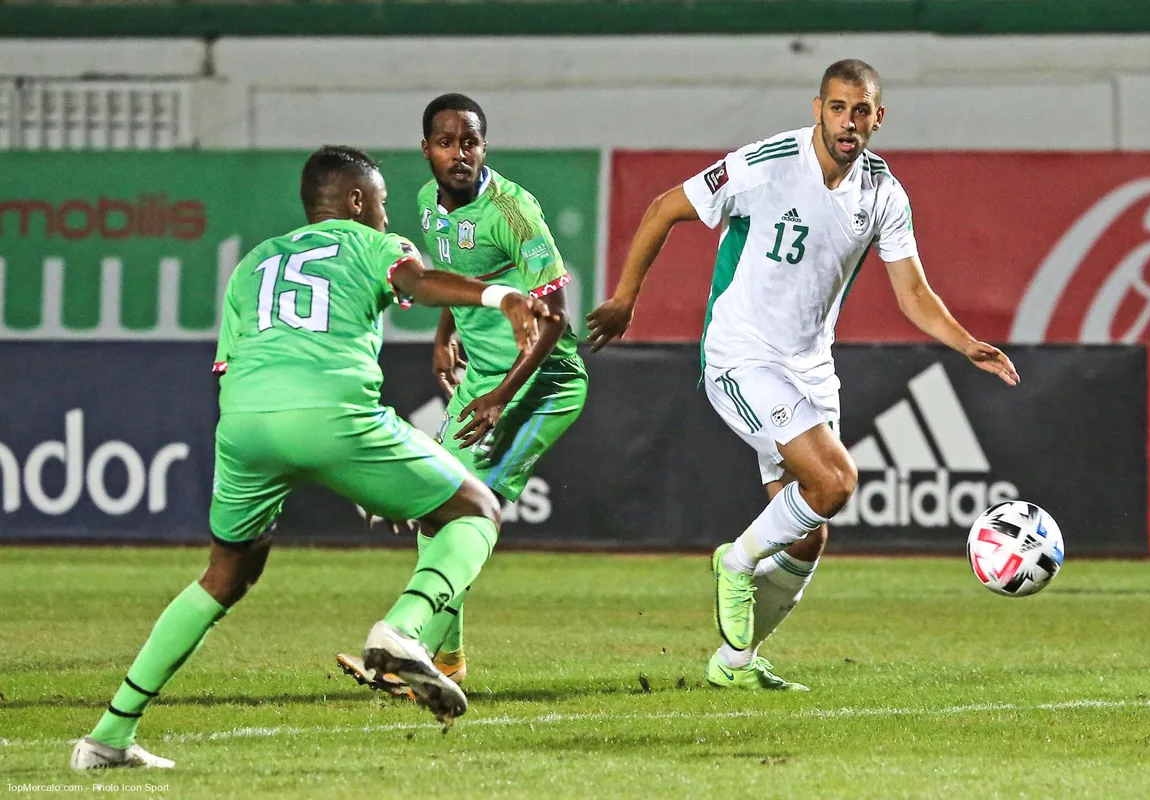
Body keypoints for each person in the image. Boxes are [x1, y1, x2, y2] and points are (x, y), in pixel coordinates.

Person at [70, 145, 554, 770]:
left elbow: (231, 364)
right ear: (357, 201)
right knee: (476, 509)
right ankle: (405, 630)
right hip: (333, 412)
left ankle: (108, 735)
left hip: (244, 422)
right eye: (379, 204)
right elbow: (420, 281)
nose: (384, 216)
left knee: (225, 575)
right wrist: (500, 297)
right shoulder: (371, 243)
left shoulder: (253, 263)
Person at [587, 59, 1019, 691]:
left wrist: (966, 344)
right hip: (740, 356)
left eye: (861, 110)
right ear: (818, 108)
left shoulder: (883, 193)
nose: (849, 122)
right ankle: (734, 561)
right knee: (837, 481)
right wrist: (626, 297)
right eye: (838, 107)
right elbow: (662, 208)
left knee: (808, 536)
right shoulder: (764, 165)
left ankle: (733, 664)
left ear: (879, 116)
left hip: (811, 368)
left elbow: (914, 291)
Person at [337, 93, 588, 698]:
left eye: (470, 141)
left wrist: (503, 393)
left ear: (484, 145)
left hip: (542, 385)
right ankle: (442, 662)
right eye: (446, 143)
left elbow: (552, 317)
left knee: (473, 508)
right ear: (426, 149)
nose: (459, 154)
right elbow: (463, 283)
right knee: (437, 512)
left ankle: (407, 637)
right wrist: (445, 332)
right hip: (480, 383)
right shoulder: (427, 204)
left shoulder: (515, 212)